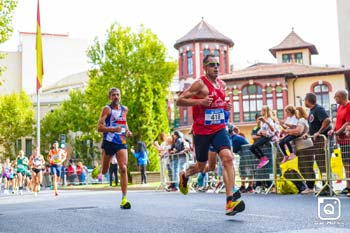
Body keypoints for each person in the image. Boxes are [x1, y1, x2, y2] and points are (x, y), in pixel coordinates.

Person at [176, 54, 245, 216]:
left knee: (228, 158)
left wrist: (226, 106)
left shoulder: (222, 84)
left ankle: (230, 201)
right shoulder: (199, 84)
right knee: (201, 167)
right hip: (201, 131)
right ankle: (185, 175)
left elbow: (219, 103)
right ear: (205, 68)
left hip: (219, 128)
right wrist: (199, 102)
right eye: (212, 64)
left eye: (217, 64)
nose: (216, 67)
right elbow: (179, 101)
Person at [97, 87, 133, 209]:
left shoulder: (124, 109)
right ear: (109, 97)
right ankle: (100, 166)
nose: (116, 97)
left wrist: (127, 130)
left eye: (117, 94)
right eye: (113, 95)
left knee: (123, 168)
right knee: (105, 171)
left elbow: (124, 120)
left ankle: (124, 198)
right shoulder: (107, 109)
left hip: (121, 141)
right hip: (109, 141)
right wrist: (112, 129)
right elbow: (99, 127)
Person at [301, 92, 331, 194]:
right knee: (319, 163)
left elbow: (327, 120)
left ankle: (326, 186)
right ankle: (324, 186)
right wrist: (307, 133)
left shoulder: (318, 109)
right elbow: (313, 126)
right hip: (315, 141)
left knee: (322, 163)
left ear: (308, 100)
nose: (304, 102)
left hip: (321, 140)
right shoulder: (312, 111)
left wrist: (319, 132)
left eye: (304, 100)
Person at [328, 90, 350, 196]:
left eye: (336, 97)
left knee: (348, 164)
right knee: (346, 164)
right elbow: (337, 121)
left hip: (347, 140)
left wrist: (337, 132)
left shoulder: (349, 106)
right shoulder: (340, 107)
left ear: (341, 97)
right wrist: (333, 129)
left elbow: (347, 123)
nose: (335, 99)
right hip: (341, 140)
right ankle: (348, 186)